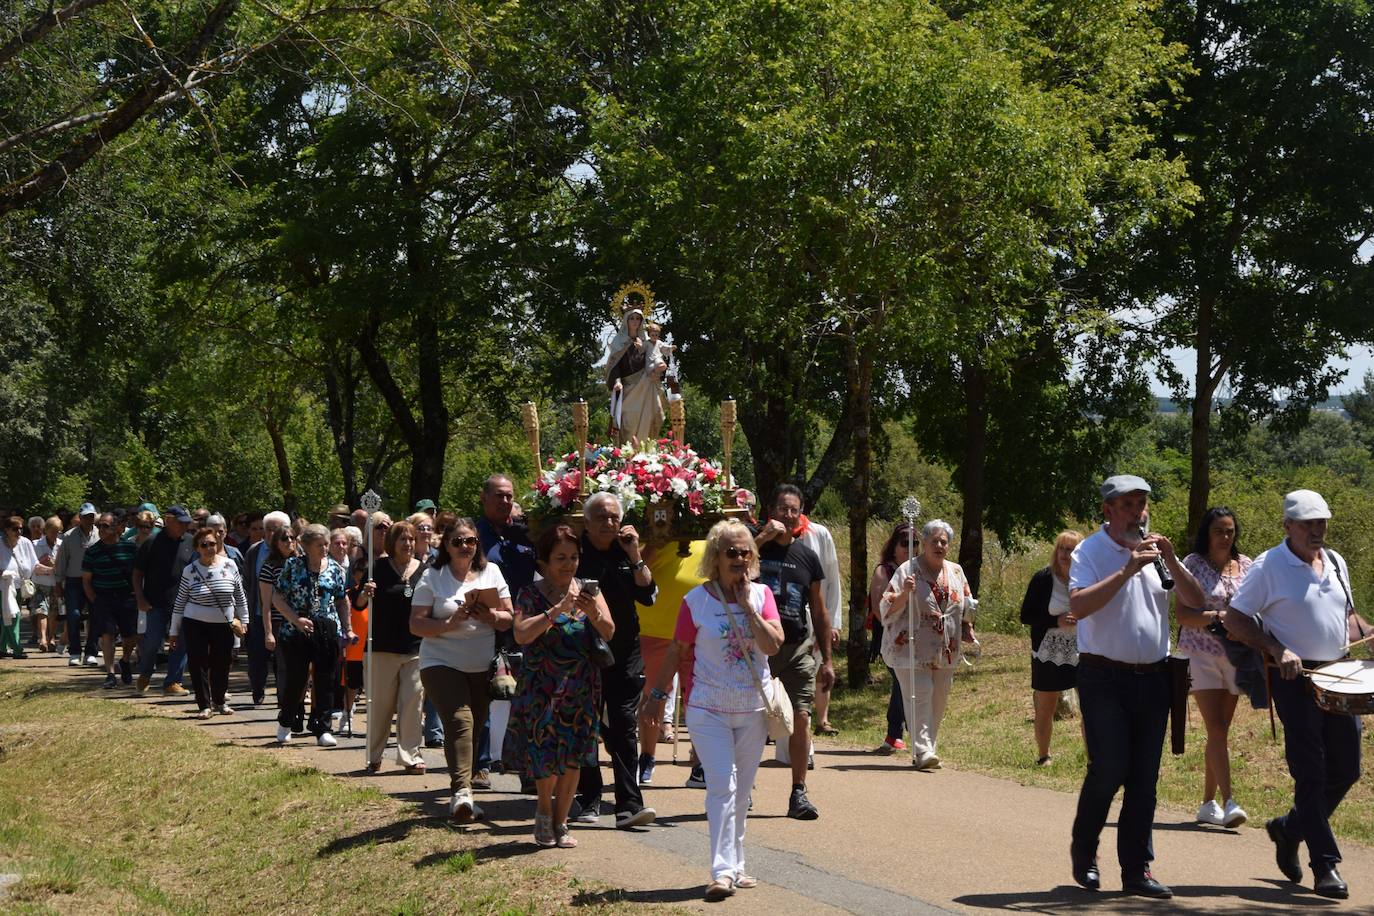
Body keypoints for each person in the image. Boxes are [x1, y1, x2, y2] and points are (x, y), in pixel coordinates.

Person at [1066, 474, 1204, 898]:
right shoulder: (1090, 551)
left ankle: (1136, 870)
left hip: (1155, 677)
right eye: (1127, 505)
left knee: (1145, 777)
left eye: (1141, 504)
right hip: (1103, 675)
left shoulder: (1159, 554)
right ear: (1108, 511)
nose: (1136, 513)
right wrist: (1128, 569)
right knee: (1109, 769)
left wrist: (1174, 562)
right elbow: (1079, 606)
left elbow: (1196, 603)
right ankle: (1085, 852)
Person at [1225, 490, 1361, 899]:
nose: (1317, 530)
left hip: (1339, 676)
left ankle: (1289, 829)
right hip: (1295, 679)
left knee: (1347, 769)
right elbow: (1234, 618)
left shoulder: (1335, 561)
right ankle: (1325, 865)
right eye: (1308, 524)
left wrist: (1367, 634)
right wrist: (1274, 647)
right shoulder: (1269, 565)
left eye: (1321, 523)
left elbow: (1347, 619)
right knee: (1312, 770)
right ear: (1288, 526)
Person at [639, 518, 784, 901]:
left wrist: (747, 610)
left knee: (741, 792)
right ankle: (721, 871)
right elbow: (677, 651)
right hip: (708, 708)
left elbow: (773, 646)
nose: (739, 558)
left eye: (745, 552)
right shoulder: (696, 602)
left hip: (753, 708)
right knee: (723, 786)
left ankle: (736, 864)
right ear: (715, 557)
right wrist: (655, 695)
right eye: (731, 552)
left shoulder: (763, 595)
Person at [505, 524, 613, 848]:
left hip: (581, 686)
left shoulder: (588, 590)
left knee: (573, 757)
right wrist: (557, 610)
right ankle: (543, 812)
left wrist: (592, 610)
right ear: (544, 560)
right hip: (541, 687)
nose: (568, 564)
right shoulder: (529, 593)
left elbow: (609, 632)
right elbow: (521, 633)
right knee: (545, 755)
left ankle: (562, 822)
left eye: (574, 557)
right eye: (561, 557)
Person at [412, 518, 513, 819]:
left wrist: (491, 615)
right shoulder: (432, 576)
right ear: (446, 545)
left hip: (481, 665)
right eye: (457, 541)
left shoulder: (491, 572)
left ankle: (464, 788)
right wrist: (449, 623)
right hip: (440, 662)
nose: (464, 546)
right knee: (460, 720)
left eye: (470, 541)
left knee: (473, 727)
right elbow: (416, 624)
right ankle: (461, 793)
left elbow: (509, 618)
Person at [570, 492, 658, 829]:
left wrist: (635, 553)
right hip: (583, 653)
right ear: (587, 521)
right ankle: (588, 796)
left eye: (614, 517)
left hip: (625, 654)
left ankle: (629, 804)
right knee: (586, 724)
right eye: (601, 517)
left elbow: (649, 595)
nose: (609, 523)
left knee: (622, 724)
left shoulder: (626, 553)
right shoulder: (575, 553)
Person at [753, 484, 833, 819]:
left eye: (793, 509)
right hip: (757, 648)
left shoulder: (807, 556)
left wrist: (827, 660)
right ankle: (743, 789)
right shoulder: (750, 545)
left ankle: (798, 793)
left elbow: (819, 609)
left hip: (798, 646)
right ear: (771, 510)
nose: (788, 515)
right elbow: (730, 574)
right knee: (752, 721)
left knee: (801, 717)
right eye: (782, 508)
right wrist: (759, 540)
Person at [879, 519, 976, 770]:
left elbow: (966, 603)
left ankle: (926, 748)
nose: (940, 545)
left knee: (939, 698)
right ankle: (922, 750)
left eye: (944, 542)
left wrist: (968, 626)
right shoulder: (908, 571)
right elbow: (886, 607)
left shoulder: (955, 571)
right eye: (935, 541)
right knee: (920, 693)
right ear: (924, 543)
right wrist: (904, 593)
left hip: (946, 647)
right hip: (909, 647)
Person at [1176, 507, 1251, 828]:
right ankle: (1229, 801)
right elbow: (1183, 614)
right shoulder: (1192, 565)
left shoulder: (1247, 565)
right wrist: (1217, 618)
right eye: (1219, 530)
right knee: (1216, 728)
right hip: (1200, 654)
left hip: (1236, 656)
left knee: (1219, 731)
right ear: (1207, 532)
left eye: (1230, 530)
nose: (1225, 537)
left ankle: (1207, 803)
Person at [269, 524, 354, 746]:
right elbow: (277, 598)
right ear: (306, 546)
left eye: (327, 544)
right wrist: (295, 620)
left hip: (326, 629)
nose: (325, 548)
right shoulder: (292, 566)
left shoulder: (336, 569)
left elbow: (341, 600)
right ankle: (286, 722)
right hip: (296, 630)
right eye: (320, 545)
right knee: (297, 679)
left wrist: (347, 628)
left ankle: (323, 727)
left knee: (326, 680)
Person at [355, 520, 428, 775]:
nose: (408, 544)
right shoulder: (378, 569)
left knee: (412, 704)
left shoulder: (425, 570)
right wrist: (366, 592)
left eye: (411, 539)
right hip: (381, 648)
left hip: (416, 648)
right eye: (402, 539)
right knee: (380, 705)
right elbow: (359, 604)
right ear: (392, 543)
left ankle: (410, 756)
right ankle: (373, 755)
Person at [1020, 530, 1084, 766]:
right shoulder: (1043, 578)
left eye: (1072, 549)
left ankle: (1092, 761)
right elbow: (1026, 615)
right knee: (1046, 706)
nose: (1066, 554)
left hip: (1082, 649)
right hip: (1048, 651)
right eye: (1062, 548)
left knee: (1090, 707)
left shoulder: (1088, 578)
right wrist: (1055, 621)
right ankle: (1043, 755)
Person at [170, 526, 249, 718]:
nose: (208, 548)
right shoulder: (190, 570)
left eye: (212, 544)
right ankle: (204, 705)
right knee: (198, 663)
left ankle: (220, 701)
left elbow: (239, 595)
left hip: (224, 623)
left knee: (222, 662)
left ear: (218, 544)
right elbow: (180, 601)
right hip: (195, 622)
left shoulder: (230, 565)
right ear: (197, 547)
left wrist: (244, 620)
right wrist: (174, 631)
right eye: (203, 545)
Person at [132, 505, 194, 696]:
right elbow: (137, 573)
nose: (185, 526)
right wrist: (140, 598)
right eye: (181, 522)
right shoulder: (151, 542)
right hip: (155, 603)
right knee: (152, 642)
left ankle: (173, 681)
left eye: (187, 522)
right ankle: (145, 672)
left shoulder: (191, 541)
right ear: (168, 521)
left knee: (181, 643)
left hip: (183, 603)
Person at [867, 523, 911, 754]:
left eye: (915, 544)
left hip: (918, 637)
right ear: (894, 545)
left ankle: (903, 733)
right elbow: (878, 608)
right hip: (890, 637)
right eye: (905, 543)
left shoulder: (920, 570)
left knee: (907, 681)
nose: (909, 548)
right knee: (902, 680)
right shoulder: (884, 571)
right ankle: (895, 733)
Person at [796, 511, 842, 736]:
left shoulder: (820, 533)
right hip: (788, 615)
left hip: (818, 611)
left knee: (821, 664)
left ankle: (822, 719)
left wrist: (833, 622)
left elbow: (832, 579)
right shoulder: (774, 534)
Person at [82, 512, 141, 688]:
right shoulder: (92, 551)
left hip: (127, 598)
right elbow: (86, 580)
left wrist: (138, 594)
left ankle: (124, 661)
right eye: (99, 526)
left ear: (116, 528)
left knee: (131, 636)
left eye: (105, 526)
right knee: (108, 636)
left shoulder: (130, 548)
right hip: (103, 599)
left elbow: (138, 574)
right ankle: (110, 674)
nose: (101, 529)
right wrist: (94, 599)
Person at [244, 511, 290, 706]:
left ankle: (283, 698)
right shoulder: (254, 551)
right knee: (257, 659)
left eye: (276, 529)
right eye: (268, 529)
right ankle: (257, 689)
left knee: (283, 661)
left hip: (286, 617)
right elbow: (246, 582)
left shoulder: (293, 553)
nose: (272, 533)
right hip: (258, 614)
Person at [605, 306, 666, 444]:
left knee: (648, 418)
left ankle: (644, 454)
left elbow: (654, 358)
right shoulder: (618, 341)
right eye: (632, 318)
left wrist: (656, 371)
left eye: (638, 318)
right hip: (627, 388)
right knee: (628, 421)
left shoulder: (646, 341)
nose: (635, 321)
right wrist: (617, 381)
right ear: (626, 320)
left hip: (645, 384)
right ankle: (627, 455)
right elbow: (615, 366)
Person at [258, 525, 299, 723]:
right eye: (284, 539)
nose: (289, 542)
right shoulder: (270, 566)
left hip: (301, 622)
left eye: (292, 538)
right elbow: (265, 603)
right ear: (276, 542)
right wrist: (268, 633)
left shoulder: (302, 563)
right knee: (284, 666)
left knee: (302, 667)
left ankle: (297, 706)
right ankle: (285, 707)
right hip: (279, 622)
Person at [53, 503, 99, 667]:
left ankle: (91, 652)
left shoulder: (100, 534)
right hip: (73, 580)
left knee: (95, 616)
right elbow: (62, 562)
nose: (89, 519)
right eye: (86, 516)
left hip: (95, 581)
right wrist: (58, 583)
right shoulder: (69, 536)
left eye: (91, 516)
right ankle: (74, 652)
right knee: (73, 615)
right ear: (80, 517)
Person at [1, 517, 37, 658]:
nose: (19, 531)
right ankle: (17, 649)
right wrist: (4, 573)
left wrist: (51, 569)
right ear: (7, 530)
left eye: (21, 528)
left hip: (19, 587)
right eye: (15, 529)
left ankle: (2, 647)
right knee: (12, 616)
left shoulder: (25, 543)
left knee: (6, 617)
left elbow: (35, 564)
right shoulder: (0, 543)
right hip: (3, 587)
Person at [30, 516, 62, 652]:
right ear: (46, 530)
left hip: (56, 584)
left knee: (54, 613)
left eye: (58, 531)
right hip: (40, 583)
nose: (55, 534)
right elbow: (33, 566)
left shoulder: (62, 544)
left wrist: (54, 567)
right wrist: (50, 568)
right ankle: (42, 638)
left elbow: (63, 566)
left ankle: (51, 638)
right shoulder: (36, 544)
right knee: (42, 611)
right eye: (53, 531)